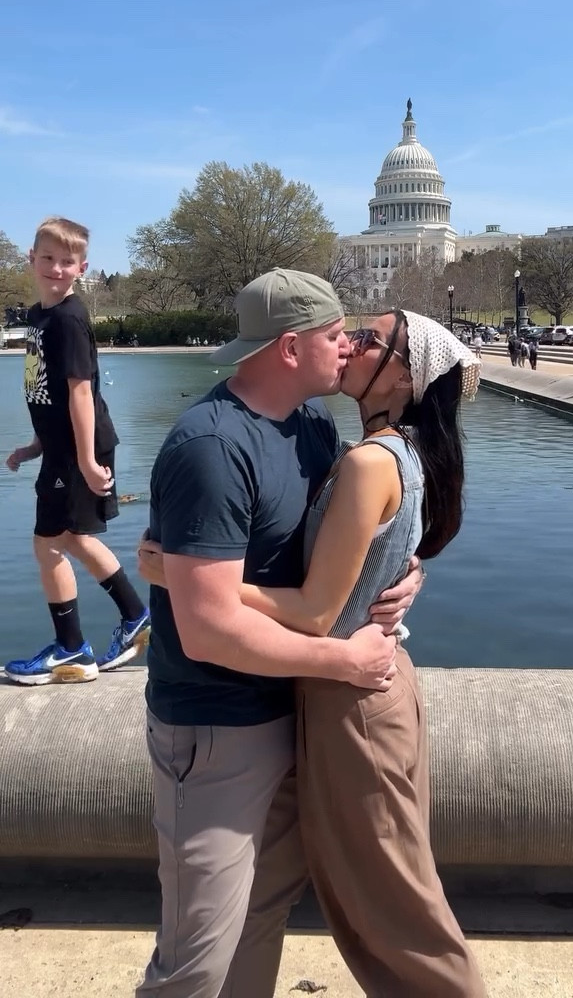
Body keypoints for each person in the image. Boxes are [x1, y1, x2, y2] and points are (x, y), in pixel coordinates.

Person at [139, 305, 487, 997]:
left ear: (403, 375)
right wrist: (405, 570)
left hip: (351, 701)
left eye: (367, 338)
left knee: (398, 908)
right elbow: (365, 556)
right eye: (344, 333)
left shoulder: (365, 459)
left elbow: (317, 610)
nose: (352, 343)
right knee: (271, 899)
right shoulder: (361, 444)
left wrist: (187, 576)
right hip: (326, 696)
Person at [3, 216, 149, 685]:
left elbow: (80, 392)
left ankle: (73, 649)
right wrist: (35, 445)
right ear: (32, 259)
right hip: (62, 449)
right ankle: (132, 619)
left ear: (82, 267)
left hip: (79, 452)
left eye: (67, 261)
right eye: (48, 258)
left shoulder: (68, 318)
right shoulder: (38, 316)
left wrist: (86, 461)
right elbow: (46, 392)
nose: (56, 268)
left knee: (49, 544)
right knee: (67, 539)